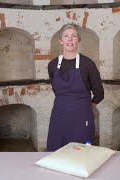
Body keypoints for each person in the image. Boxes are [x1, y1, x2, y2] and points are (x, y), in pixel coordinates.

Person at [47, 23, 104, 151]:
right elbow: (56, 90)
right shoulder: (52, 65)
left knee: (81, 153)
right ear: (60, 41)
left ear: (78, 40)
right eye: (66, 36)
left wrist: (84, 105)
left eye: (74, 36)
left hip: (82, 117)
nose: (70, 39)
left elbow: (99, 94)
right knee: (57, 152)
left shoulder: (88, 64)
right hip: (59, 116)